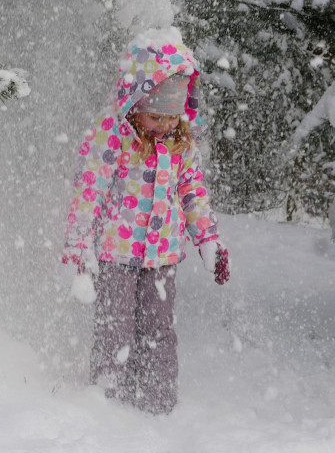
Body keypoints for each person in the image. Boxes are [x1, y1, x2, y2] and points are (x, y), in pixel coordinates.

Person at [61, 28, 230, 415]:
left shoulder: (181, 143)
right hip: (114, 255)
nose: (165, 125)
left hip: (163, 256)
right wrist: (77, 245)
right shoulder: (113, 136)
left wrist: (208, 240)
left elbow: (193, 193)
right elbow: (89, 193)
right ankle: (107, 403)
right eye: (155, 116)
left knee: (158, 331)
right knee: (115, 328)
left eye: (173, 116)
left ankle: (158, 406)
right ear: (134, 100)